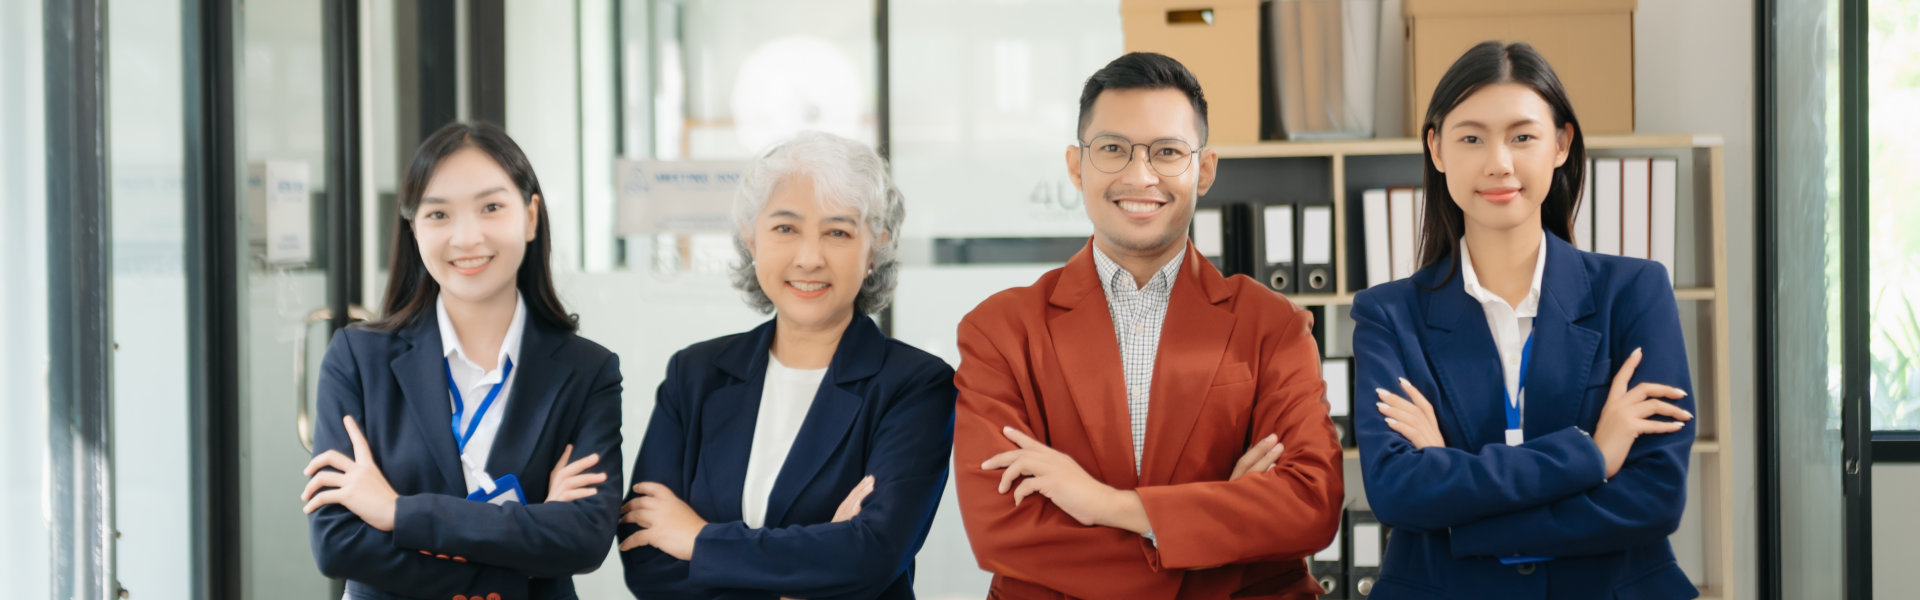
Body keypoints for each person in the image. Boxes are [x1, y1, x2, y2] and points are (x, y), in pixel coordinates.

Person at [951, 52, 1345, 599]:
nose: (1140, 176)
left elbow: (1310, 505)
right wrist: (1213, 533)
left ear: (1203, 170)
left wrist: (1106, 505)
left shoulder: (1270, 325)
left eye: (1167, 152)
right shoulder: (1000, 330)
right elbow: (1003, 531)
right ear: (1076, 166)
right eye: (1113, 149)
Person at [1351, 41, 1697, 599]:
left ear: (1561, 143)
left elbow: (1655, 496)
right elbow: (1396, 492)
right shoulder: (1388, 315)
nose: (1499, 162)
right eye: (1471, 138)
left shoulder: (1635, 293)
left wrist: (1455, 492)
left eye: (1522, 136)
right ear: (1436, 149)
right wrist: (1594, 454)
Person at [618, 131, 956, 599]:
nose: (810, 258)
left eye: (838, 232)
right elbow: (648, 560)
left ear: (874, 248)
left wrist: (698, 540)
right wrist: (808, 576)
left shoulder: (915, 386)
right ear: (750, 238)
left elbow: (871, 555)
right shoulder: (695, 375)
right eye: (785, 228)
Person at [301, 121, 624, 599]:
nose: (466, 238)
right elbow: (338, 544)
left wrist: (396, 513)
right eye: (438, 215)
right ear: (413, 229)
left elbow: (583, 540)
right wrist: (528, 546)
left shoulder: (587, 370)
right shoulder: (357, 359)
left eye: (491, 207)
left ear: (531, 216)